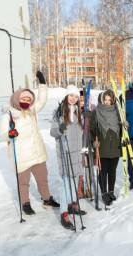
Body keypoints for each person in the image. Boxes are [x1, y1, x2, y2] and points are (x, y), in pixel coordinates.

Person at [0, 71, 59, 216]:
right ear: (16, 99)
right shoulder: (9, 115)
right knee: (23, 183)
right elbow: (3, 134)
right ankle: (25, 204)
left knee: (42, 179)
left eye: (28, 98)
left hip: (37, 152)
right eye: (23, 98)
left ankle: (47, 200)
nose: (26, 101)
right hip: (21, 155)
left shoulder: (31, 111)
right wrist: (10, 134)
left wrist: (43, 84)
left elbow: (41, 101)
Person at [50, 85, 87, 229]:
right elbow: (53, 132)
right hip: (65, 153)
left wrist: (86, 120)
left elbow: (82, 132)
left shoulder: (79, 112)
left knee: (76, 181)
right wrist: (59, 129)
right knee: (66, 185)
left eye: (76, 97)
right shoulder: (58, 112)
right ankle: (64, 213)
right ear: (66, 96)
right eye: (71, 95)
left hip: (77, 153)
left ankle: (72, 204)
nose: (73, 98)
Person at [90, 90, 121, 206]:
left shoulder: (117, 112)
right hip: (101, 148)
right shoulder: (96, 112)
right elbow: (91, 130)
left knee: (112, 171)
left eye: (109, 100)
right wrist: (94, 142)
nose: (107, 102)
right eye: (105, 100)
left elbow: (122, 131)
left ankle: (111, 191)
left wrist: (125, 125)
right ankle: (104, 193)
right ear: (101, 100)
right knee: (103, 172)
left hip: (115, 148)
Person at [79, 88, 97, 199]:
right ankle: (79, 188)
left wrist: (89, 114)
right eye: (80, 96)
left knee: (88, 165)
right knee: (79, 166)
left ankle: (88, 188)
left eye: (84, 96)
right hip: (79, 140)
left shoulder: (93, 107)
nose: (82, 98)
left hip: (89, 140)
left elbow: (96, 121)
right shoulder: (74, 108)